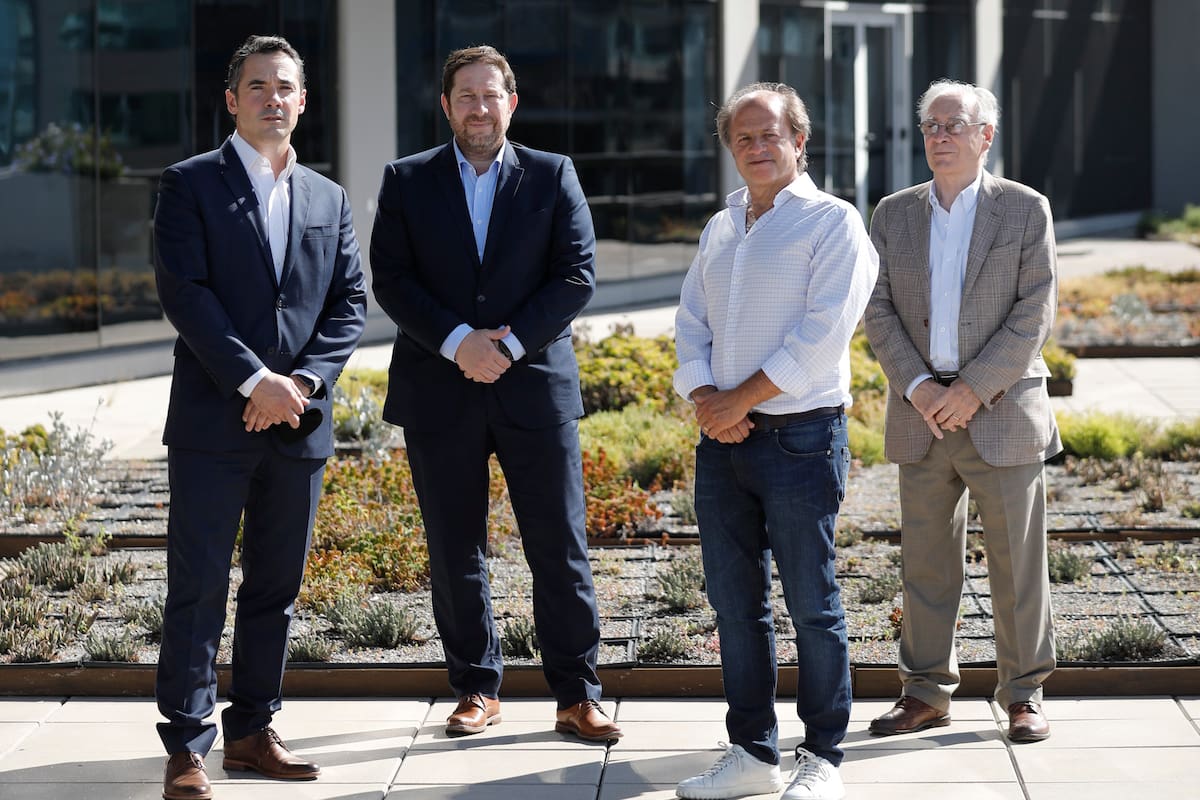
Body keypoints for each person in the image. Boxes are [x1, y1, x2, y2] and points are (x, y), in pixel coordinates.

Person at [369, 45, 620, 743]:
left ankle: (578, 695)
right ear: (445, 106)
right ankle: (476, 688)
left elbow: (576, 275)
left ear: (511, 103)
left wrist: (506, 347)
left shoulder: (553, 173)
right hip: (438, 386)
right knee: (455, 547)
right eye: (466, 97)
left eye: (491, 96)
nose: (479, 109)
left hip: (532, 385)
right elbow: (391, 279)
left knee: (559, 544)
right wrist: (458, 343)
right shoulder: (406, 179)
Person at [152, 34, 367, 800]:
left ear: (303, 101)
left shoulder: (328, 197)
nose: (272, 98)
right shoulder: (188, 185)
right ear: (231, 99)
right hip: (214, 422)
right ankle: (187, 745)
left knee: (276, 587)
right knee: (199, 586)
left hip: (299, 422)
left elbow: (349, 303)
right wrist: (253, 381)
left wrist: (298, 383)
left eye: (285, 87)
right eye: (257, 86)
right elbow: (186, 295)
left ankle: (252, 731)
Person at [673, 82, 878, 800]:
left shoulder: (833, 223)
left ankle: (822, 756)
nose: (758, 148)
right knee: (735, 606)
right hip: (722, 443)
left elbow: (822, 336)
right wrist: (706, 400)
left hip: (802, 440)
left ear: (799, 141)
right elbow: (690, 322)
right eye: (744, 138)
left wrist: (739, 399)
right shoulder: (721, 226)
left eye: (771, 135)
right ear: (731, 149)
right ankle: (752, 753)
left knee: (812, 604)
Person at [863, 79, 1059, 744]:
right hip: (921, 414)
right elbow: (877, 307)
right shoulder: (893, 214)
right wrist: (920, 387)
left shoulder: (1025, 210)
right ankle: (924, 693)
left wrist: (972, 389)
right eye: (931, 126)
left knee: (1017, 564)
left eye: (954, 125)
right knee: (925, 563)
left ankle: (1024, 693)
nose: (940, 136)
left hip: (1000, 411)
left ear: (986, 136)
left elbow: (1035, 311)